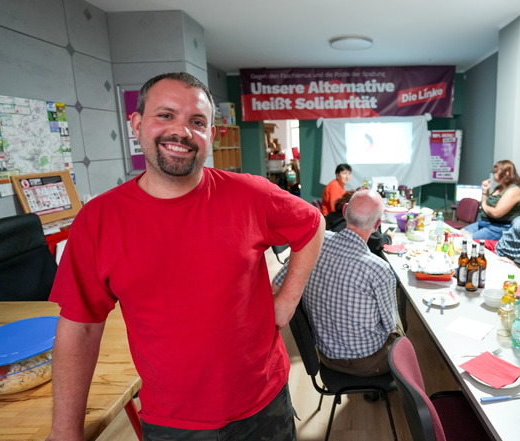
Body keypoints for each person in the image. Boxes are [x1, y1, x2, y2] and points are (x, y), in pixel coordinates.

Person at [47, 72, 325, 441]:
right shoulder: (99, 220)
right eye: (165, 115)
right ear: (137, 123)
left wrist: (286, 303)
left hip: (264, 401)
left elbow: (311, 224)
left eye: (196, 122)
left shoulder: (250, 194)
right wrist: (65, 430)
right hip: (173, 421)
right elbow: (79, 328)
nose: (181, 131)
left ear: (210, 135)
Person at [273, 190, 403, 377]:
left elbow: (277, 283)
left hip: (326, 356)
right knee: (397, 324)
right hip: (366, 362)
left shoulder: (315, 241)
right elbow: (389, 326)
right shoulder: (379, 269)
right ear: (378, 225)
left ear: (344, 211)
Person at [463, 160, 520, 240]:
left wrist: (484, 204)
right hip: (485, 222)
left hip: (499, 227)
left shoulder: (514, 190)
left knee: (468, 241)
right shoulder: (499, 187)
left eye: (496, 172)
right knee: (459, 235)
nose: (493, 174)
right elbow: (486, 203)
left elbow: (496, 213)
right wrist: (485, 191)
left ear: (506, 173)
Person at [324, 189, 394, 256]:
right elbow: (378, 243)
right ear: (377, 224)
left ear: (345, 209)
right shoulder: (377, 267)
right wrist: (388, 237)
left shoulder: (323, 236)